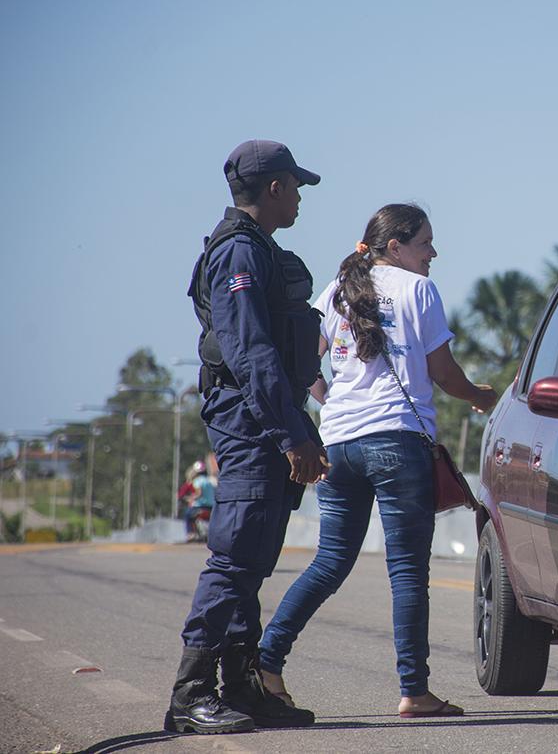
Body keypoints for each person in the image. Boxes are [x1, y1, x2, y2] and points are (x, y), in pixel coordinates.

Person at [256, 203, 498, 718]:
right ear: (396, 246)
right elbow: (444, 373)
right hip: (397, 442)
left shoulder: (339, 285)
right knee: (408, 571)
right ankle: (414, 690)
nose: (434, 252)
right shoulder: (419, 290)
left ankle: (266, 659)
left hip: (339, 445)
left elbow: (303, 363)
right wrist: (480, 396)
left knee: (329, 562)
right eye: (426, 242)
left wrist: (333, 402)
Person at [166, 140, 329, 735]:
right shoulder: (238, 252)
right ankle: (190, 695)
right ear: (276, 187)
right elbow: (250, 352)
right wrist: (290, 435)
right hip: (250, 422)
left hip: (267, 417)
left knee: (253, 558)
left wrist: (297, 426)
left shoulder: (256, 248)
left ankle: (239, 686)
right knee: (235, 558)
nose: (301, 199)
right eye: (297, 187)